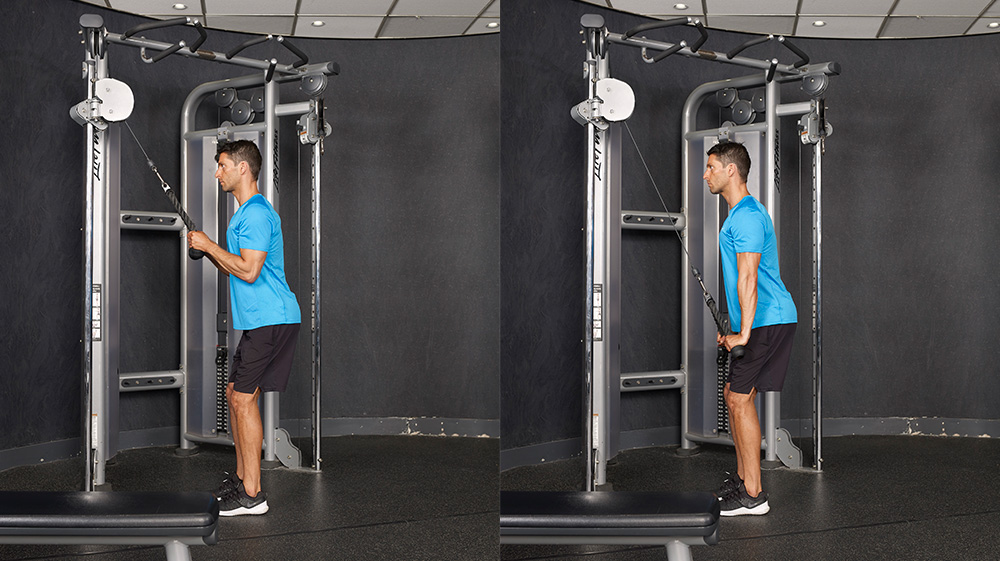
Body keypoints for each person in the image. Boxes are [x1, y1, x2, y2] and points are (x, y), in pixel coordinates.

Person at [188, 139, 301, 517]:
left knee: (241, 399)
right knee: (235, 391)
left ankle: (252, 494)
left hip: (272, 317)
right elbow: (236, 264)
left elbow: (249, 272)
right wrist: (209, 250)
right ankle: (241, 481)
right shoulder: (242, 215)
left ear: (243, 169)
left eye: (222, 165)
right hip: (260, 320)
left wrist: (209, 244)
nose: (216, 172)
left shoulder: (254, 214)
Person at [702, 141, 797, 517]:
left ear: (731, 171)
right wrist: (738, 329)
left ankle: (753, 495)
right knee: (735, 394)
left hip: (768, 320)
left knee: (738, 399)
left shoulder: (745, 217)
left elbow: (748, 277)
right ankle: (744, 481)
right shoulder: (741, 214)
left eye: (711, 167)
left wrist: (743, 334)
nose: (705, 174)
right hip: (763, 321)